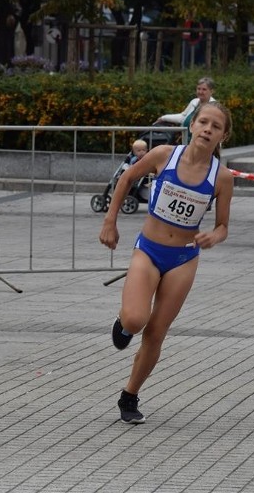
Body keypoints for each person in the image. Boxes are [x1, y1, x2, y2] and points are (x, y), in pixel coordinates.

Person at [99, 101, 234, 424]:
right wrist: (110, 220)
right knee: (135, 321)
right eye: (203, 122)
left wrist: (213, 237)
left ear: (223, 136)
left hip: (183, 258)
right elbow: (127, 178)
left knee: (156, 331)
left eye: (215, 127)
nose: (207, 130)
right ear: (191, 125)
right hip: (149, 250)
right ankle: (124, 322)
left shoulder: (222, 178)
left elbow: (223, 226)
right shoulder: (164, 155)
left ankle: (129, 395)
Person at [157, 77, 215, 144]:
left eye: (204, 89)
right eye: (198, 89)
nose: (200, 92)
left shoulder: (214, 108)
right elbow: (183, 117)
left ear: (211, 91)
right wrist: (163, 118)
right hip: (185, 141)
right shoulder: (194, 102)